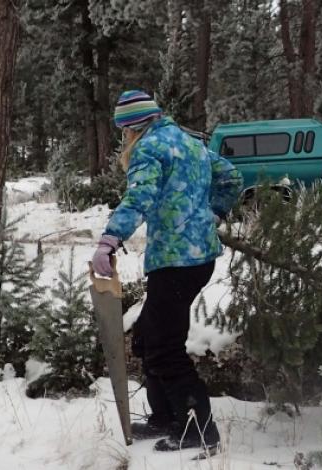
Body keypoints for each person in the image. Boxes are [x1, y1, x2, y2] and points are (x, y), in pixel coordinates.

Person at [92, 90, 242, 452]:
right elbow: (232, 177)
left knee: (163, 347)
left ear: (130, 127)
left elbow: (138, 197)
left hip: (177, 261)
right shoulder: (188, 143)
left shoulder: (149, 149)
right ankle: (165, 415)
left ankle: (197, 429)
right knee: (148, 335)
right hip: (198, 258)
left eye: (123, 131)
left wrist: (110, 239)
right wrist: (215, 213)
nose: (124, 138)